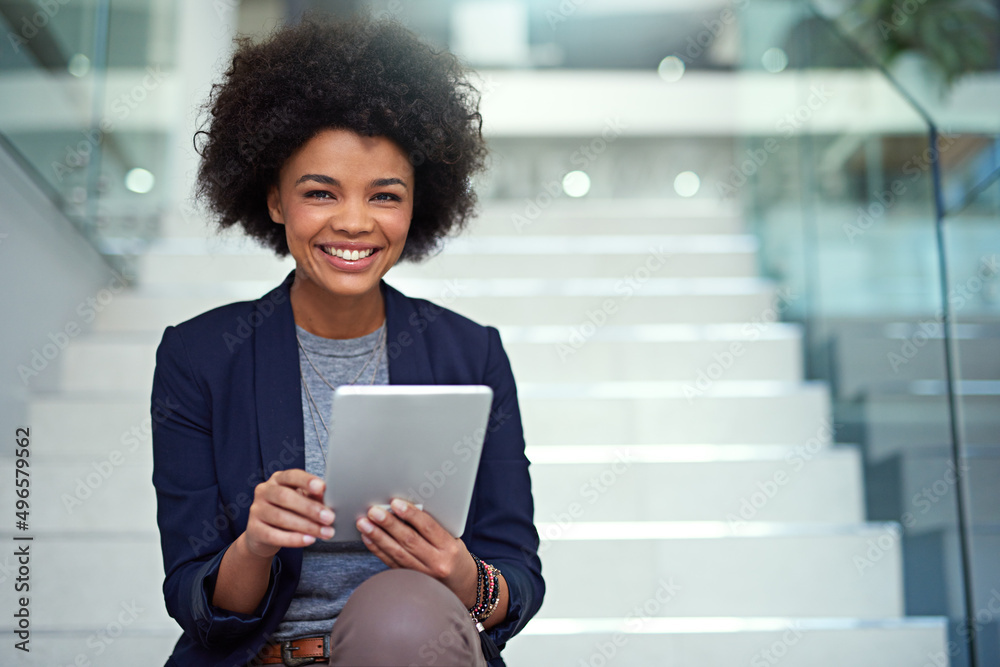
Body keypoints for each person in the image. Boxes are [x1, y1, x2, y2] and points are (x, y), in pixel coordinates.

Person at [150, 15, 544, 667]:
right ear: (275, 199)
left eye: (384, 195)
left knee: (399, 616)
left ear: (418, 203)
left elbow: (516, 583)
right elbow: (193, 597)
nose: (355, 222)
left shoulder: (469, 353)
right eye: (320, 192)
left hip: (417, 651)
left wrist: (462, 572)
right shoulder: (200, 357)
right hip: (259, 657)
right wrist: (254, 543)